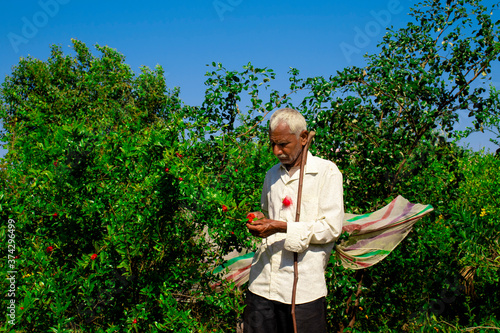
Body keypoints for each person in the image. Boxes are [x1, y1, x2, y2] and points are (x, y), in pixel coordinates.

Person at [244, 108, 344, 333]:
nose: (277, 151)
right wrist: (261, 220)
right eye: (272, 144)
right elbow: (267, 212)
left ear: (303, 137)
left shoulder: (326, 172)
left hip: (303, 290)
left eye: (283, 144)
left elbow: (331, 228)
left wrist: (280, 227)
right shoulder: (271, 175)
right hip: (263, 283)